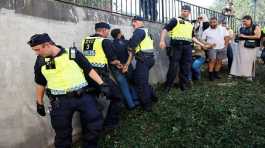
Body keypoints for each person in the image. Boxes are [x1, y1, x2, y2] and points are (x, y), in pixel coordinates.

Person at [28, 33, 108, 147]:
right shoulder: (41, 61)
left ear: (47, 45)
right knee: (62, 133)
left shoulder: (72, 53)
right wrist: (39, 103)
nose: (36, 53)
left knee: (94, 124)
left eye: (37, 49)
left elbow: (89, 69)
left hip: (83, 97)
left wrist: (102, 84)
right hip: (60, 102)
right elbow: (40, 83)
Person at [81, 22, 123, 128]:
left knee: (91, 100)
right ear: (104, 30)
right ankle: (111, 123)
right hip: (100, 76)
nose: (108, 33)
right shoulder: (105, 41)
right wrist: (119, 64)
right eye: (108, 31)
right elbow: (112, 60)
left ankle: (93, 125)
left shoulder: (85, 40)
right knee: (118, 96)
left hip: (86, 76)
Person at [159, 5, 205, 91]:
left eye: (186, 11)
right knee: (173, 67)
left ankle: (183, 85)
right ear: (181, 11)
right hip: (176, 46)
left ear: (189, 13)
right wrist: (162, 40)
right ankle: (168, 86)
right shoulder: (175, 20)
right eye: (183, 10)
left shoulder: (191, 24)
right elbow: (165, 29)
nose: (184, 12)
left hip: (187, 47)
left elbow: (192, 37)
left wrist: (201, 44)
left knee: (186, 67)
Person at [124, 16, 157, 112]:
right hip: (149, 59)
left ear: (141, 22)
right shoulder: (147, 31)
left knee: (141, 84)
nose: (133, 23)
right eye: (132, 22)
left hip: (143, 60)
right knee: (136, 78)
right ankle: (152, 94)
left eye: (135, 21)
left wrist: (126, 44)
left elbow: (131, 45)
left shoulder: (139, 31)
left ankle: (147, 106)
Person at [110, 28, 139, 109]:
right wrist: (126, 65)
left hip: (117, 67)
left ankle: (131, 105)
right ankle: (136, 101)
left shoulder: (111, 44)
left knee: (124, 86)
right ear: (119, 34)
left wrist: (119, 65)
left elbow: (111, 58)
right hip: (127, 66)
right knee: (132, 83)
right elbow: (131, 53)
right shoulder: (126, 42)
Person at [230, 15, 261, 81]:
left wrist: (245, 36)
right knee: (239, 60)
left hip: (251, 46)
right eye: (243, 21)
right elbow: (239, 36)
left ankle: (249, 76)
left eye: (245, 21)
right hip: (241, 46)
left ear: (249, 20)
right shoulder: (242, 28)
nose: (243, 23)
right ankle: (238, 74)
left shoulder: (255, 26)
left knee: (249, 61)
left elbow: (258, 36)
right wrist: (237, 36)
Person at [201, 17, 230, 81]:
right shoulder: (206, 31)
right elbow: (202, 40)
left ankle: (216, 73)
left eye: (214, 22)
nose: (212, 24)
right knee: (212, 60)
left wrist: (226, 46)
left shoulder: (223, 29)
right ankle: (211, 75)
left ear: (217, 22)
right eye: (211, 22)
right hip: (212, 48)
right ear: (209, 23)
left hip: (222, 47)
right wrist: (209, 44)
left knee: (219, 61)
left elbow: (227, 37)